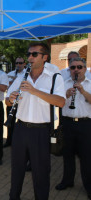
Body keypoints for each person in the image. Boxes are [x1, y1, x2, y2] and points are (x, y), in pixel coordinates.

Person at [7, 43, 65, 200]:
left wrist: (34, 91)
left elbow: (60, 102)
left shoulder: (54, 77)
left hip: (41, 131)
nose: (30, 57)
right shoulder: (21, 76)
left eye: (34, 54)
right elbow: (7, 102)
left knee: (41, 172)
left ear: (44, 57)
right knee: (17, 170)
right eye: (28, 54)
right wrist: (11, 99)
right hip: (20, 128)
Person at [55, 57, 91, 199]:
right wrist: (66, 94)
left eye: (79, 67)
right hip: (68, 123)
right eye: (73, 67)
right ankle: (67, 181)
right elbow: (57, 102)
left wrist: (82, 91)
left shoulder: (89, 83)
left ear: (85, 69)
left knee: (86, 157)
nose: (76, 70)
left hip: (85, 124)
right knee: (67, 154)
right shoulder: (64, 83)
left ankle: (88, 185)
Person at [4, 57, 26, 148]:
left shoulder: (26, 74)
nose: (18, 65)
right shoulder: (10, 74)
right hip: (11, 101)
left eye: (20, 63)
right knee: (10, 123)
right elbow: (6, 87)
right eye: (17, 63)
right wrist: (13, 82)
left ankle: (18, 142)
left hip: (22, 103)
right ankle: (9, 140)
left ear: (24, 64)